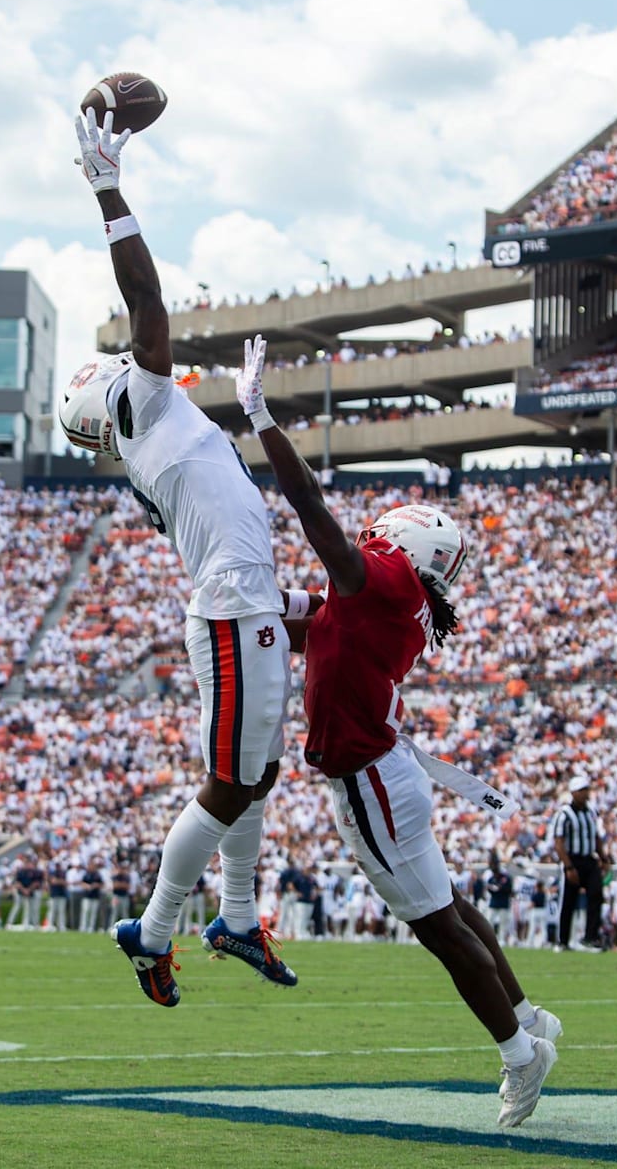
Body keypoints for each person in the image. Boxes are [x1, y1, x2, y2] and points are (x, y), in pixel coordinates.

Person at [234, 334, 560, 1128]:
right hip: (387, 773)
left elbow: (318, 521)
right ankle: (527, 1013)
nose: (371, 540)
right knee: (448, 907)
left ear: (403, 547)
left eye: (383, 537)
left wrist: (263, 422)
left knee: (439, 929)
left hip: (371, 779)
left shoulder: (386, 579)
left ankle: (521, 1052)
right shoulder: (399, 599)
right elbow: (315, 616)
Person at [64, 106, 295, 1007]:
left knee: (257, 772)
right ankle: (153, 927)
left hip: (247, 604)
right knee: (232, 778)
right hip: (234, 611)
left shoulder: (153, 436)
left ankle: (234, 914)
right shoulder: (151, 410)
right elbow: (148, 304)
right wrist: (108, 190)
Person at [551, 774, 609, 952]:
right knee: (568, 900)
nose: (586, 794)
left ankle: (590, 938)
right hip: (573, 859)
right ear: (574, 793)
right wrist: (568, 866)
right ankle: (562, 940)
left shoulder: (590, 812)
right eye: (582, 791)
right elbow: (559, 842)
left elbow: (596, 837)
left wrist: (604, 858)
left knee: (596, 896)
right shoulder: (564, 814)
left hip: (589, 859)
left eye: (587, 790)